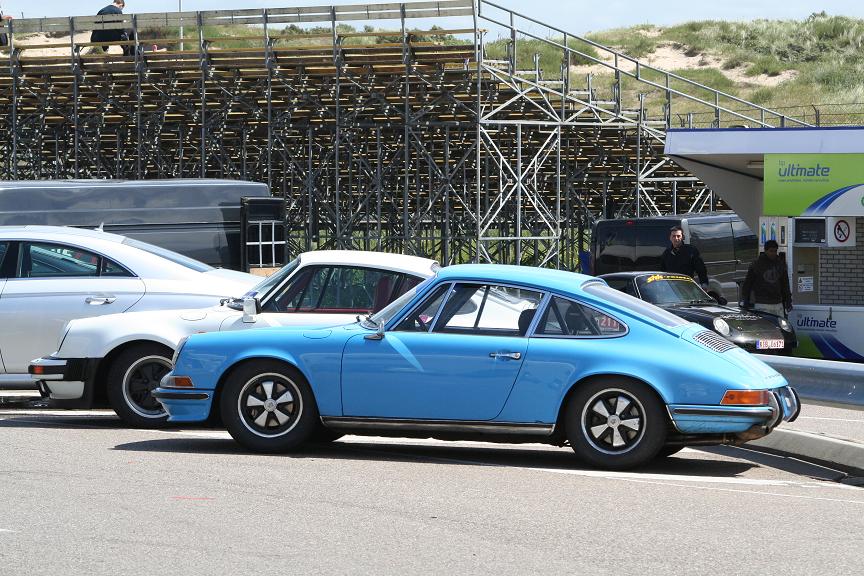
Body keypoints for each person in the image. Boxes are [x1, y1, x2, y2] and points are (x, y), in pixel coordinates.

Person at [740, 239, 792, 317]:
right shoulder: (756, 265)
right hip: (762, 303)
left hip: (778, 303)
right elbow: (748, 284)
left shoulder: (780, 264)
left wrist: (788, 301)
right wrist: (746, 302)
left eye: (775, 251)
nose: (773, 253)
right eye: (771, 251)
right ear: (765, 250)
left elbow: (785, 284)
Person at [659, 225, 709, 290]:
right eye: (673, 236)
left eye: (678, 236)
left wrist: (704, 285)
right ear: (670, 238)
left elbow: (701, 270)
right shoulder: (666, 253)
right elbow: (662, 272)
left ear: (682, 237)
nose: (676, 238)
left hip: (687, 287)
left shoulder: (691, 251)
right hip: (672, 289)